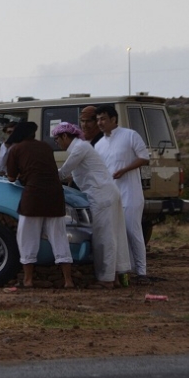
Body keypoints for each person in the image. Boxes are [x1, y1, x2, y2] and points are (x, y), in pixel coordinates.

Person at [52, 122, 131, 288]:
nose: (56, 143)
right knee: (112, 235)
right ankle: (113, 277)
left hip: (101, 195)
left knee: (104, 237)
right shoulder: (81, 147)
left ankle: (106, 280)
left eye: (57, 139)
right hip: (105, 193)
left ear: (65, 136)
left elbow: (63, 173)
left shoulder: (79, 148)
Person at [5, 122, 74, 288]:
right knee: (59, 238)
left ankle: (28, 280)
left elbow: (11, 178)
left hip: (33, 197)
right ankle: (68, 280)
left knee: (27, 237)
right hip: (55, 196)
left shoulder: (15, 149)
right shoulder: (45, 147)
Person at [94, 105, 150, 285]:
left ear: (113, 119)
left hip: (130, 193)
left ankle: (142, 272)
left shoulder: (129, 135)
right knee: (118, 234)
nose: (100, 123)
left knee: (133, 231)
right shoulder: (99, 144)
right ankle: (126, 271)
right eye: (97, 120)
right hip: (112, 195)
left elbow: (144, 157)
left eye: (103, 119)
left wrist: (124, 170)